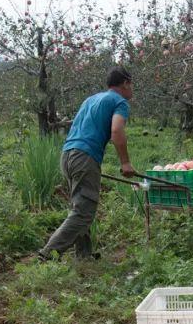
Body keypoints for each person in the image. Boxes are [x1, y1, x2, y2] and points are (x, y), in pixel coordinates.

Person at [40, 67, 135, 260]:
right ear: (125, 83)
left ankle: (84, 255)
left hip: (68, 155)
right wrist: (125, 163)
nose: (132, 89)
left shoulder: (91, 99)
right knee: (83, 211)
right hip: (85, 156)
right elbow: (117, 131)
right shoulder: (120, 102)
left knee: (80, 206)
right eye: (131, 84)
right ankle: (48, 254)